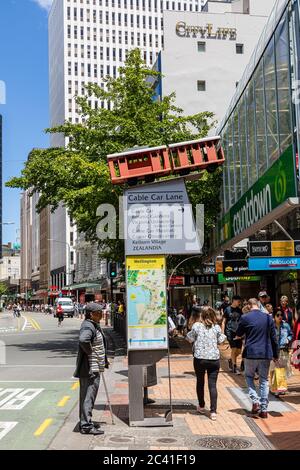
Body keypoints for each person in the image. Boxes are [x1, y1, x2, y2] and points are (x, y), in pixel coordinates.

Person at [235, 298, 279, 419]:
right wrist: (276, 354)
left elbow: (238, 333)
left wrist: (239, 336)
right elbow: (274, 338)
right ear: (258, 305)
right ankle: (264, 409)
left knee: (249, 376)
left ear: (249, 306)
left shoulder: (245, 317)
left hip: (251, 353)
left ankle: (255, 402)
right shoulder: (268, 318)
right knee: (264, 380)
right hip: (265, 352)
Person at [74, 302, 109, 435]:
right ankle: (86, 426)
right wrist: (90, 352)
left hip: (94, 367)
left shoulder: (93, 325)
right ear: (91, 314)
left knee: (87, 396)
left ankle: (85, 421)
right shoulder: (89, 326)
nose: (101, 314)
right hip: (90, 368)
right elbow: (84, 340)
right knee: (88, 396)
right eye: (99, 313)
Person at [186, 306, 226, 421]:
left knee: (200, 381)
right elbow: (221, 340)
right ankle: (213, 411)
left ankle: (202, 406)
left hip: (200, 359)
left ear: (201, 316)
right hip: (214, 359)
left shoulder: (197, 326)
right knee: (212, 385)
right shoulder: (216, 327)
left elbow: (189, 338)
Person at [270, 310, 293, 396]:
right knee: (274, 369)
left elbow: (291, 334)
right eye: (278, 315)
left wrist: (288, 339)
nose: (280, 316)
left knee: (282, 369)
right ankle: (275, 387)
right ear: (274, 316)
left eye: (281, 315)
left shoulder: (286, 325)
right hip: (274, 350)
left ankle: (280, 387)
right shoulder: (271, 326)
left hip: (284, 349)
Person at [223, 295, 243, 374]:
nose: (239, 303)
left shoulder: (239, 310)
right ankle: (234, 367)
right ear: (234, 300)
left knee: (239, 351)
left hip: (238, 332)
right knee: (234, 349)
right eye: (238, 301)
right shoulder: (227, 309)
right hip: (230, 331)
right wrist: (222, 333)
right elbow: (224, 321)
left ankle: (231, 360)